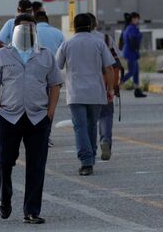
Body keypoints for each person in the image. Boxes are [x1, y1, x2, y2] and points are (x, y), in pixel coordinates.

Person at [0, 13, 63, 224]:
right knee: (3, 161)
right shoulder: (2, 55)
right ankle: (5, 196)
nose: (28, 32)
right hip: (9, 117)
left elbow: (55, 85)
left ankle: (31, 210)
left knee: (36, 165)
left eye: (32, 28)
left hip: (38, 118)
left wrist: (50, 113)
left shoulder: (46, 55)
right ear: (15, 30)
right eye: (24, 28)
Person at [56, 13, 116, 176]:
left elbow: (57, 66)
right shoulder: (99, 43)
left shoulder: (67, 44)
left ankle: (86, 161)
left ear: (74, 26)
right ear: (90, 26)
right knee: (91, 125)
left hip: (75, 93)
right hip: (95, 92)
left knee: (80, 127)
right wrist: (110, 89)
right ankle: (91, 158)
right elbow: (109, 68)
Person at [87, 12, 121, 161]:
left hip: (85, 84)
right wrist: (114, 86)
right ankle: (105, 140)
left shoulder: (75, 41)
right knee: (106, 114)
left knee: (88, 118)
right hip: (106, 80)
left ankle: (88, 149)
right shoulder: (106, 39)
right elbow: (115, 63)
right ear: (95, 24)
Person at [120, 12, 146, 98]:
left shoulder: (128, 27)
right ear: (133, 19)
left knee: (136, 72)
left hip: (131, 52)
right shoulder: (131, 28)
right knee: (132, 71)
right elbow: (133, 40)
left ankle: (137, 90)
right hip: (131, 52)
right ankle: (119, 83)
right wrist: (135, 48)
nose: (138, 20)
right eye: (137, 18)